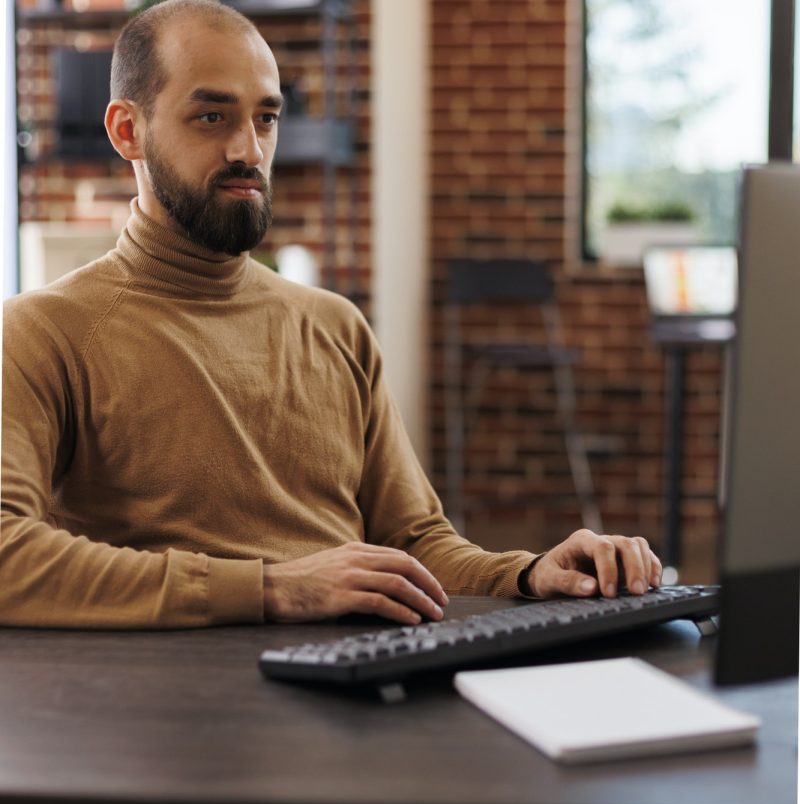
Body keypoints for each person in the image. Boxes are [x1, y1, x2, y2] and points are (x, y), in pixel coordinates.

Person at [1, 0, 662, 630]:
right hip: (173, 708)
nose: (249, 151)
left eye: (265, 118)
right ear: (127, 131)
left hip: (355, 688)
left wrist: (531, 575)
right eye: (211, 117)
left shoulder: (335, 326)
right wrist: (268, 588)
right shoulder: (42, 333)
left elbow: (414, 542)